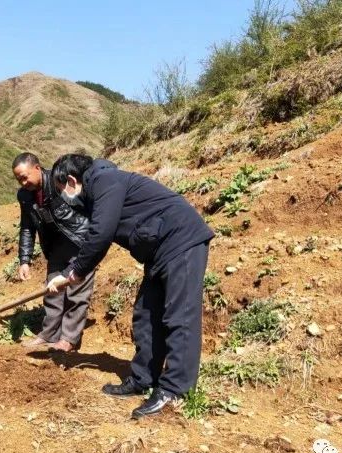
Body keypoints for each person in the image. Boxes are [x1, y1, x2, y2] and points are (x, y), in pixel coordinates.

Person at [48, 154, 214, 418]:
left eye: (62, 191)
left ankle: (175, 391)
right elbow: (92, 238)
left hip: (181, 240)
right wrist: (69, 272)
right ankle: (143, 379)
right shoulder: (100, 190)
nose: (66, 198)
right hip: (159, 250)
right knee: (146, 317)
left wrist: (77, 272)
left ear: (71, 180)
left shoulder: (104, 180)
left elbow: (100, 234)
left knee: (178, 316)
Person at [12, 152, 95, 352]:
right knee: (52, 292)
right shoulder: (24, 196)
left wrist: (92, 243)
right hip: (55, 246)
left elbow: (86, 207)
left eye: (25, 176)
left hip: (80, 242)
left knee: (77, 293)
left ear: (38, 168)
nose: (23, 182)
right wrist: (25, 259)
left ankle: (68, 339)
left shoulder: (59, 180)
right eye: (18, 179)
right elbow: (26, 227)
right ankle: (49, 334)